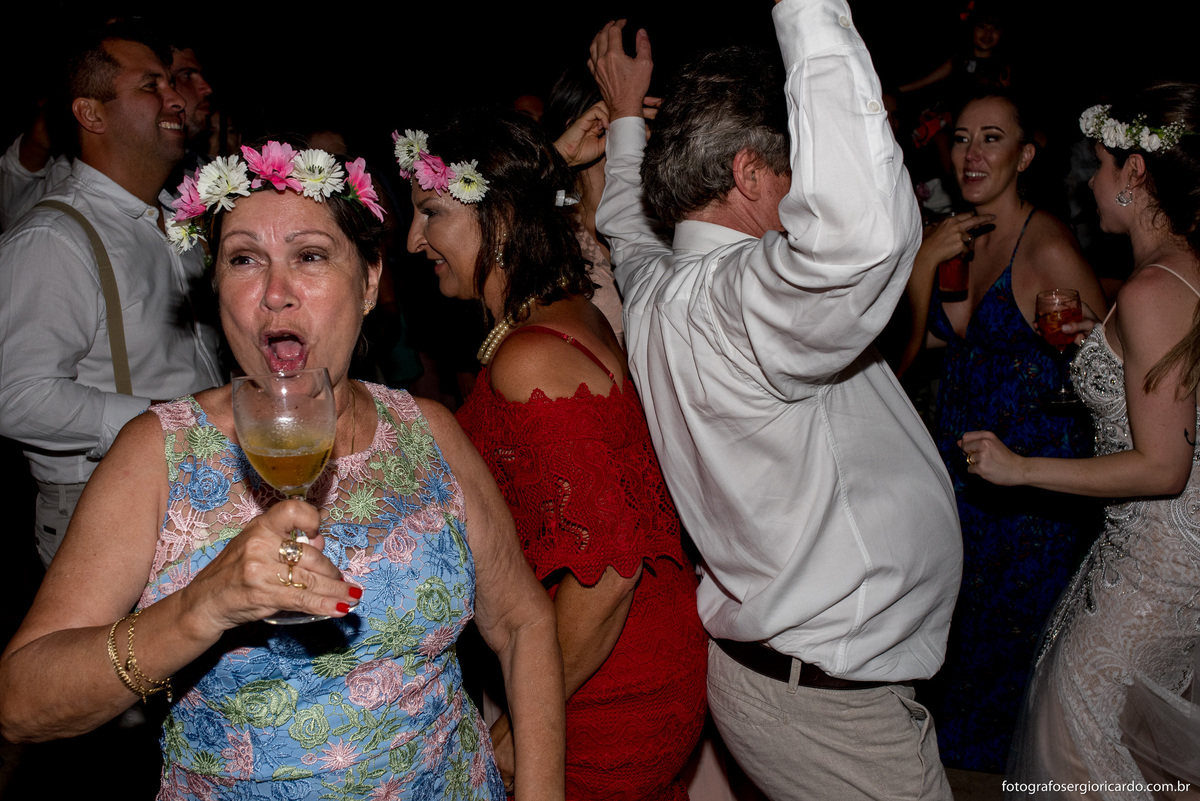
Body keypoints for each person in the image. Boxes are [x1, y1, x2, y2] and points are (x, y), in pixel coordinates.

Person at [0, 141, 566, 800]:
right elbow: (20, 699)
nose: (274, 294)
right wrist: (198, 608)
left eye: (310, 256)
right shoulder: (157, 455)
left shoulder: (429, 430)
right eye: (244, 259)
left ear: (371, 279)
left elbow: (524, 623)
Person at [589, 1, 962, 798]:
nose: (805, 196)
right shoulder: (735, 298)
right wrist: (811, 11)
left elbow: (625, 220)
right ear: (752, 175)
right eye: (795, 173)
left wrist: (626, 120)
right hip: (830, 706)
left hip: (780, 677)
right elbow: (860, 243)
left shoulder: (656, 286)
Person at [401, 112, 707, 800]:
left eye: (430, 213)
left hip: (605, 676)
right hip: (612, 654)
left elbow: (609, 574)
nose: (415, 240)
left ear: (501, 218)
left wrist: (518, 727)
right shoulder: (564, 312)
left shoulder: (531, 354)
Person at [961, 84, 1200, 799]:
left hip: (1154, 563)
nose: (1087, 181)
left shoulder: (1154, 290)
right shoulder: (1177, 274)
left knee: (1075, 740)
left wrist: (1020, 466)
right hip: (1166, 555)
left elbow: (1163, 465)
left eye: (1098, 164)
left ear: (1134, 174)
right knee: (1141, 763)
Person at [897, 91, 1107, 772]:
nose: (972, 153)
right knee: (954, 662)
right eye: (961, 137)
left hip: (1027, 505)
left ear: (1024, 155)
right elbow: (909, 351)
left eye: (992, 138)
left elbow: (1118, 372)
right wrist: (926, 260)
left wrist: (1092, 348)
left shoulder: (1043, 244)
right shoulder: (961, 235)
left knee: (1008, 680)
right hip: (964, 483)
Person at [0, 22, 223, 567]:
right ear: (91, 114)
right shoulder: (53, 238)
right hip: (105, 503)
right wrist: (162, 421)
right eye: (151, 86)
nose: (176, 100)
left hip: (197, 487)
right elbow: (16, 396)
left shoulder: (175, 219)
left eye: (172, 83)